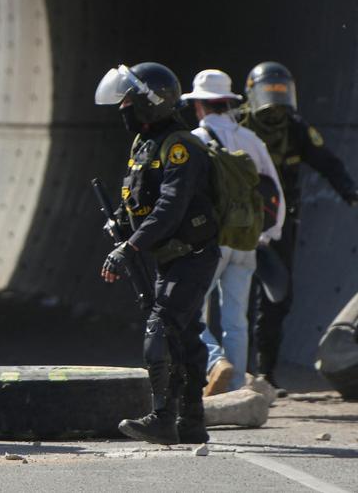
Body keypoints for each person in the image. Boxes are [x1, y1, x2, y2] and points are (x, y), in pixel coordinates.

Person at [96, 62, 220, 445]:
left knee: (160, 327)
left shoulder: (180, 147)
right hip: (168, 256)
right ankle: (192, 420)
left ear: (152, 104)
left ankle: (163, 418)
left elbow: (170, 207)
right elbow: (134, 195)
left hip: (192, 254)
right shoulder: (145, 144)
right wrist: (118, 222)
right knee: (185, 334)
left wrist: (128, 248)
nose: (123, 110)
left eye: (129, 102)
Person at [240, 62, 358, 395]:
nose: (274, 103)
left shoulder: (296, 129)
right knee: (229, 296)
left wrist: (350, 192)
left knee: (277, 297)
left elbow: (328, 163)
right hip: (237, 224)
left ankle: (265, 372)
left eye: (281, 94)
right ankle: (224, 370)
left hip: (278, 225)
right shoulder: (239, 127)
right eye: (269, 93)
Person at [182, 69, 285, 396]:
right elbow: (274, 192)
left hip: (212, 241)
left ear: (199, 106)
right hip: (248, 240)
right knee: (236, 319)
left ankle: (214, 363)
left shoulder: (196, 140)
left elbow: (185, 195)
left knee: (188, 311)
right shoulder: (251, 140)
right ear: (228, 103)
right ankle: (238, 387)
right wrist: (267, 235)